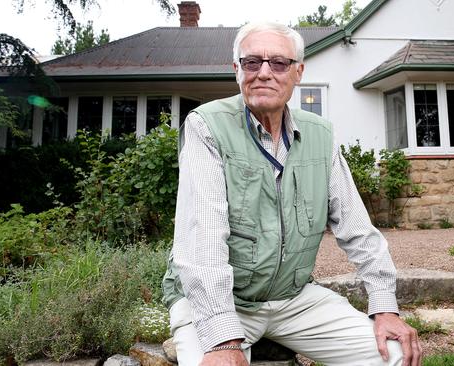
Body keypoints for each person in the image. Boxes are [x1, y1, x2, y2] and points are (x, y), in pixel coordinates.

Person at [162, 21, 421, 366]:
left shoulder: (320, 135)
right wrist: (223, 337)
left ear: (298, 72)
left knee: (396, 355)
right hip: (218, 303)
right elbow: (202, 239)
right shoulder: (206, 126)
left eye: (279, 63)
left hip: (293, 300)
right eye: (252, 62)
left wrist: (385, 307)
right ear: (236, 70)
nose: (264, 73)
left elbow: (358, 230)